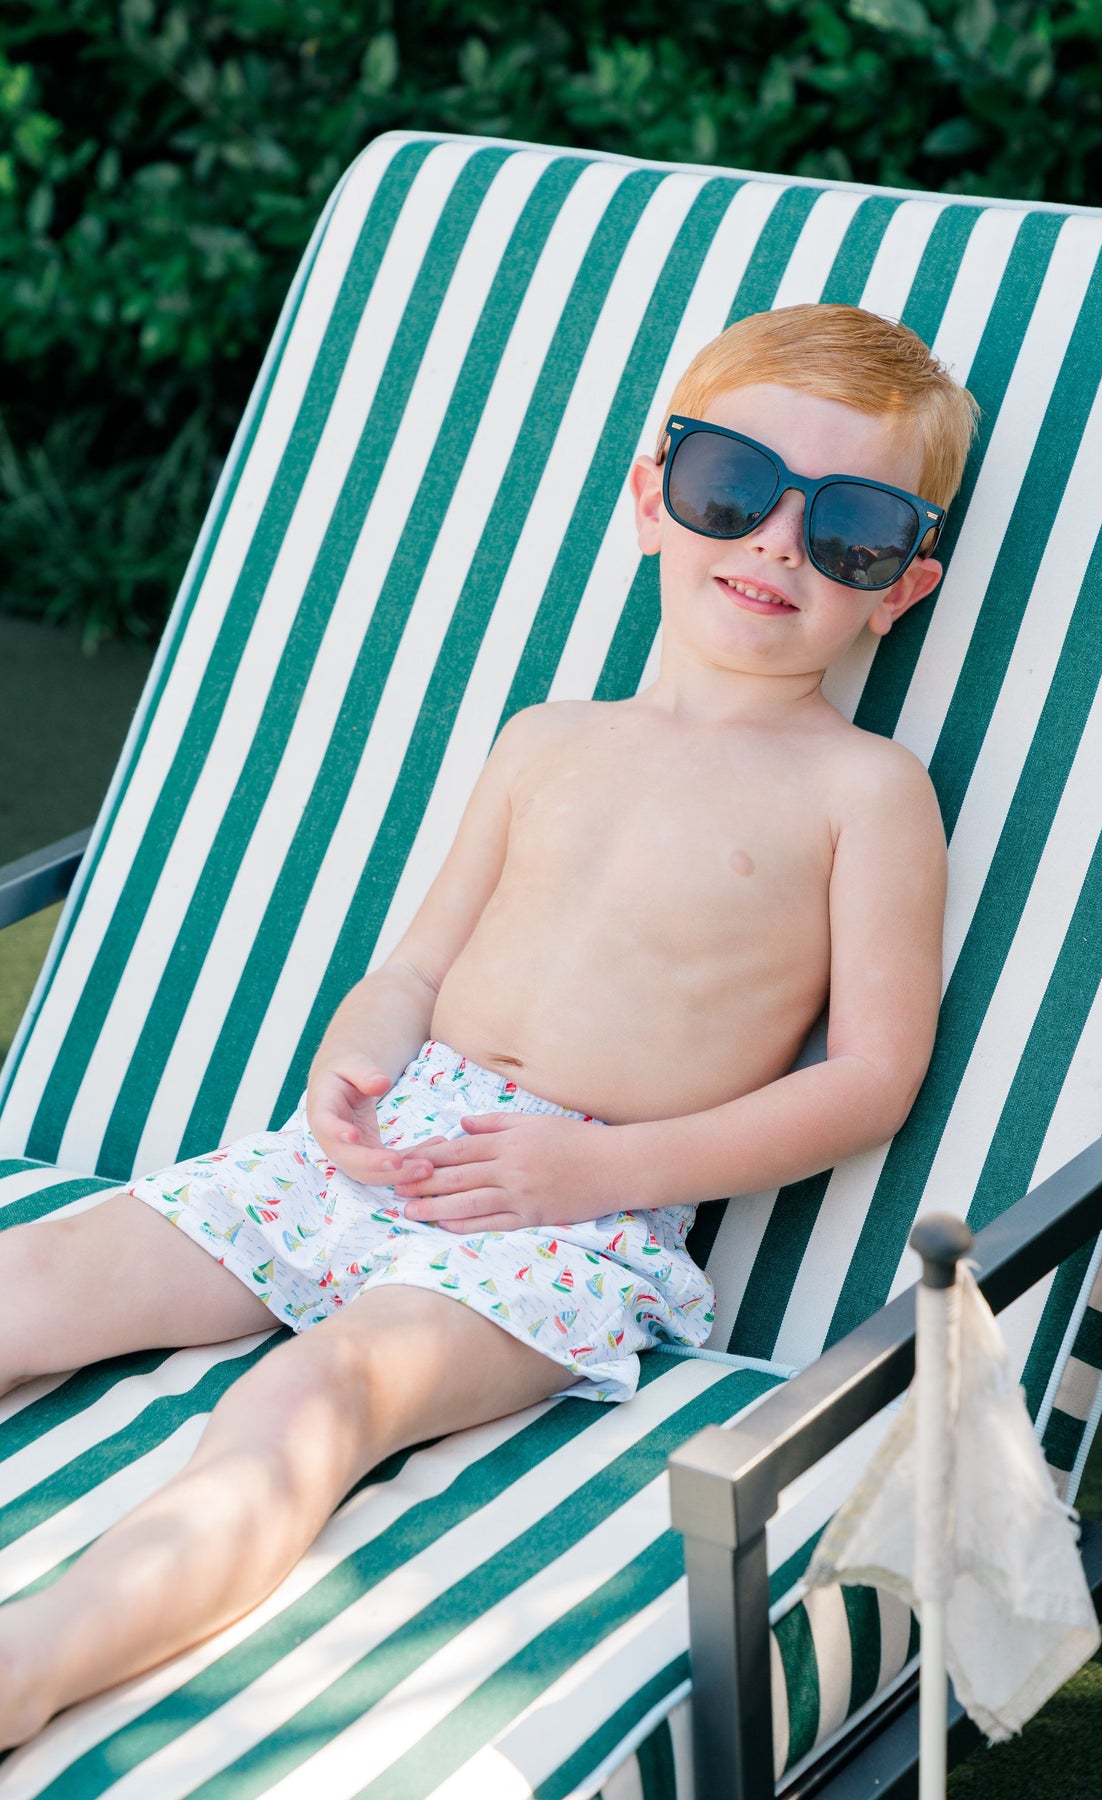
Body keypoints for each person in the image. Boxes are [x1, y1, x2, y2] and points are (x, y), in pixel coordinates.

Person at [0, 302, 978, 1745]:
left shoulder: (868, 793)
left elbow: (875, 1080)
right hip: (373, 1150)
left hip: (567, 1228)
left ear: (901, 587)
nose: (779, 544)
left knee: (314, 1400)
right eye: (734, 487)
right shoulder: (545, 739)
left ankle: (28, 1668)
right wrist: (358, 1055)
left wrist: (600, 1170)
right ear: (651, 500)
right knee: (31, 1278)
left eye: (852, 530)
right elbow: (413, 967)